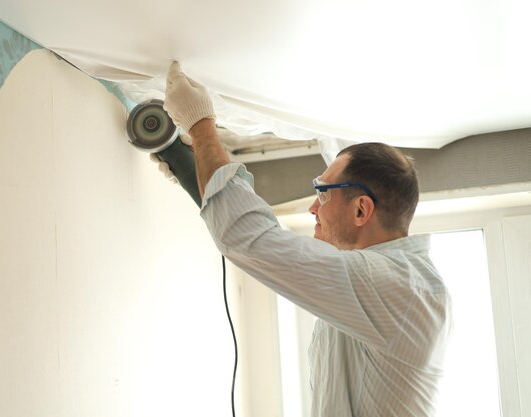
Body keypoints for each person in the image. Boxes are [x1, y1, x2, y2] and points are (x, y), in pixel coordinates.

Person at [162, 61, 451, 417]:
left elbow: (245, 236)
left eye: (324, 193)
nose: (314, 207)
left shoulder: (395, 286)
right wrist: (202, 176)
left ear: (361, 211)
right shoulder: (382, 286)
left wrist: (201, 124)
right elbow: (247, 235)